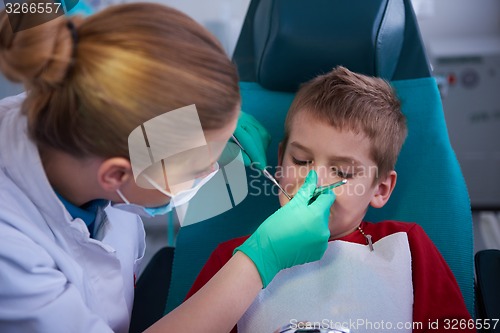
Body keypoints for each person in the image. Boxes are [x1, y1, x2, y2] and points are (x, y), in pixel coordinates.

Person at [0, 3, 335, 333]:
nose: (210, 174)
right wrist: (261, 259)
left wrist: (210, 124)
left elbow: (28, 7)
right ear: (115, 175)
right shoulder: (11, 255)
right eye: (197, 169)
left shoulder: (73, 97)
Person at [186, 66, 474, 333]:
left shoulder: (407, 247)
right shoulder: (234, 258)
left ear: (380, 189)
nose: (315, 182)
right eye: (301, 160)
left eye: (342, 171)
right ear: (280, 160)